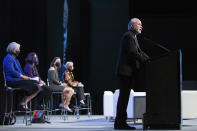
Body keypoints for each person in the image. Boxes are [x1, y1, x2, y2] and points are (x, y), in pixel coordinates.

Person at [114, 18, 150, 130]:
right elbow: (133, 53)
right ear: (131, 26)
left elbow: (139, 52)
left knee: (124, 98)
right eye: (139, 24)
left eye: (141, 25)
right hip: (125, 72)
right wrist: (146, 60)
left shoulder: (133, 37)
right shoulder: (128, 36)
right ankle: (120, 123)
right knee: (123, 98)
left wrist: (148, 58)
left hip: (128, 73)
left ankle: (120, 123)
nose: (141, 27)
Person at [3, 42, 41, 110]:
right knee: (34, 85)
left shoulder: (16, 60)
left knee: (36, 85)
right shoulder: (8, 58)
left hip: (18, 80)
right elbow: (11, 71)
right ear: (13, 49)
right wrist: (24, 77)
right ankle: (23, 102)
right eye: (18, 49)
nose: (19, 51)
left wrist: (29, 78)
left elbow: (21, 72)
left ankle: (24, 101)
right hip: (11, 81)